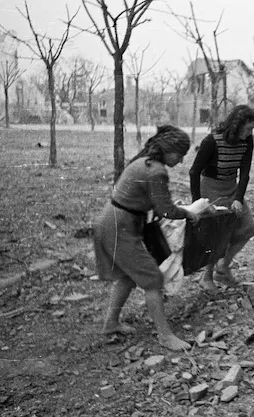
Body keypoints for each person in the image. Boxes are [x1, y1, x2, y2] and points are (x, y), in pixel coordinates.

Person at [93, 125, 202, 351]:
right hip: (119, 227)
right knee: (153, 278)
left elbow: (156, 202)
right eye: (180, 155)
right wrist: (189, 213)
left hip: (113, 222)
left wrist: (172, 207)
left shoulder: (144, 162)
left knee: (127, 276)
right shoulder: (156, 171)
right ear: (169, 150)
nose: (181, 161)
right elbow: (166, 210)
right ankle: (165, 336)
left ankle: (110, 324)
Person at [189, 105, 254, 292]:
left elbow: (245, 173)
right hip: (210, 188)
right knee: (217, 233)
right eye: (248, 128)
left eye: (252, 129)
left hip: (231, 187)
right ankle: (206, 277)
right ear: (237, 125)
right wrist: (198, 204)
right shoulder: (212, 141)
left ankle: (223, 267)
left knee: (248, 227)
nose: (250, 132)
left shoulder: (247, 142)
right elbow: (194, 172)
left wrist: (238, 198)